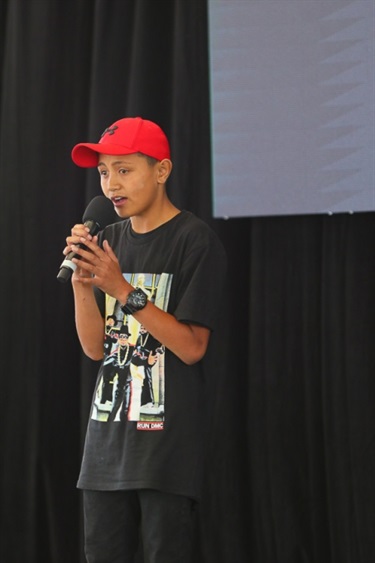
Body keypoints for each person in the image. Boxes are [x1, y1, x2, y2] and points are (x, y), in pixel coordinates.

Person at [63, 116, 227, 563]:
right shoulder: (108, 238)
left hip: (164, 449)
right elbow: (96, 349)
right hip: (104, 446)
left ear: (162, 170)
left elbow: (192, 347)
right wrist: (83, 286)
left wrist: (121, 290)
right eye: (103, 172)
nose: (111, 184)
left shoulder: (194, 241)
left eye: (124, 169)